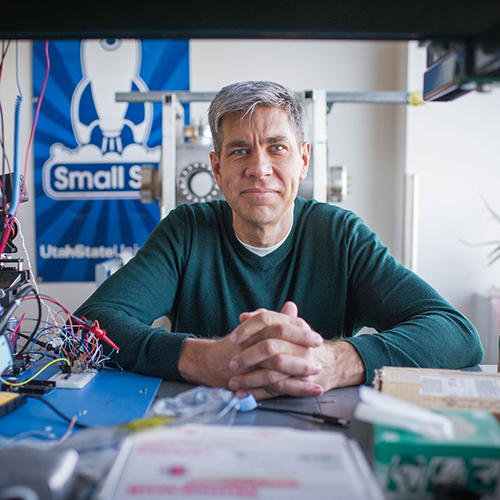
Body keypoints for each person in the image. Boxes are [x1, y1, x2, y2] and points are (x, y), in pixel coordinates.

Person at [75, 80, 483, 400]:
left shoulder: (341, 236)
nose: (259, 168)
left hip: (324, 429)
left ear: (303, 159)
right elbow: (88, 326)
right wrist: (202, 359)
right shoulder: (186, 231)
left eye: (277, 148)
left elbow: (455, 333)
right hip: (203, 431)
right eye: (239, 152)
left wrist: (334, 361)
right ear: (216, 168)